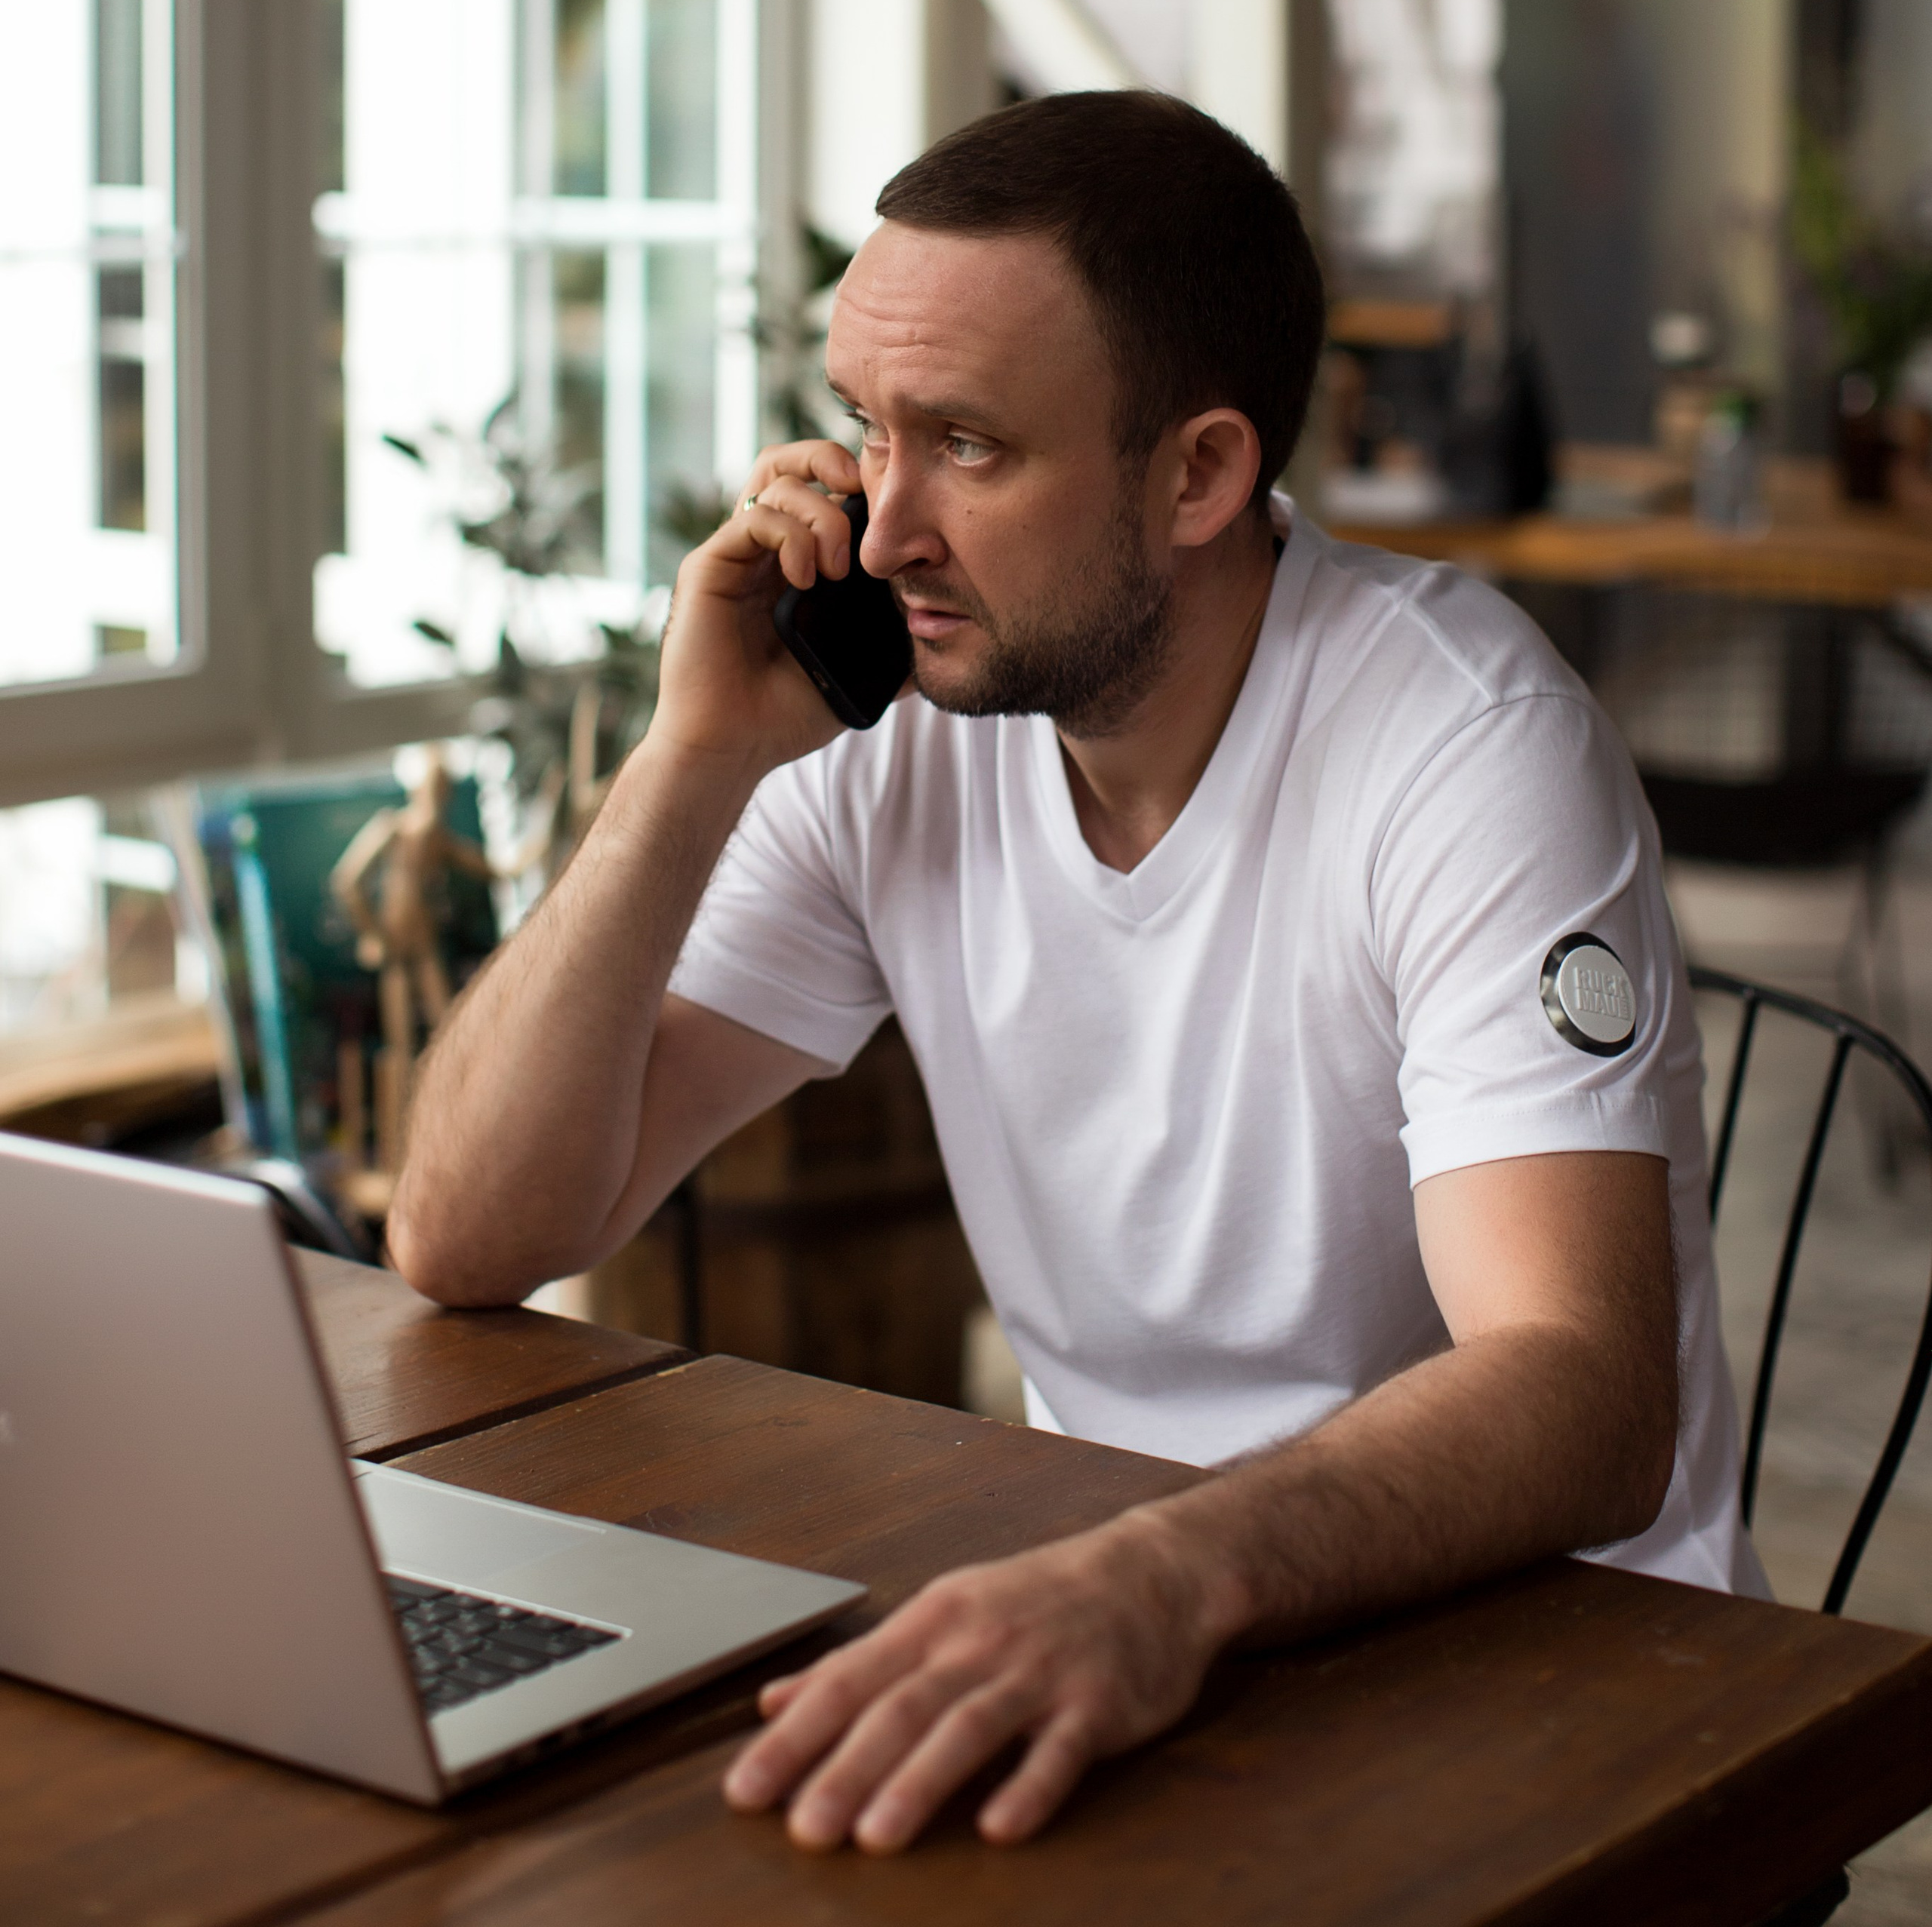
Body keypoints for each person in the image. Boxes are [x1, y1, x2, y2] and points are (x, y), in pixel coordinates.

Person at [389, 90, 1759, 1858]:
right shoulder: (889, 720)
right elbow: (471, 1234)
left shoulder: (1461, 744)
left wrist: (1159, 1574)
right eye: (861, 431)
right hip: (1126, 1608)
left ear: (1197, 471)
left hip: (1552, 1660)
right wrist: (687, 758)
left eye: (964, 444)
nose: (877, 533)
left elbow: (1582, 1387)